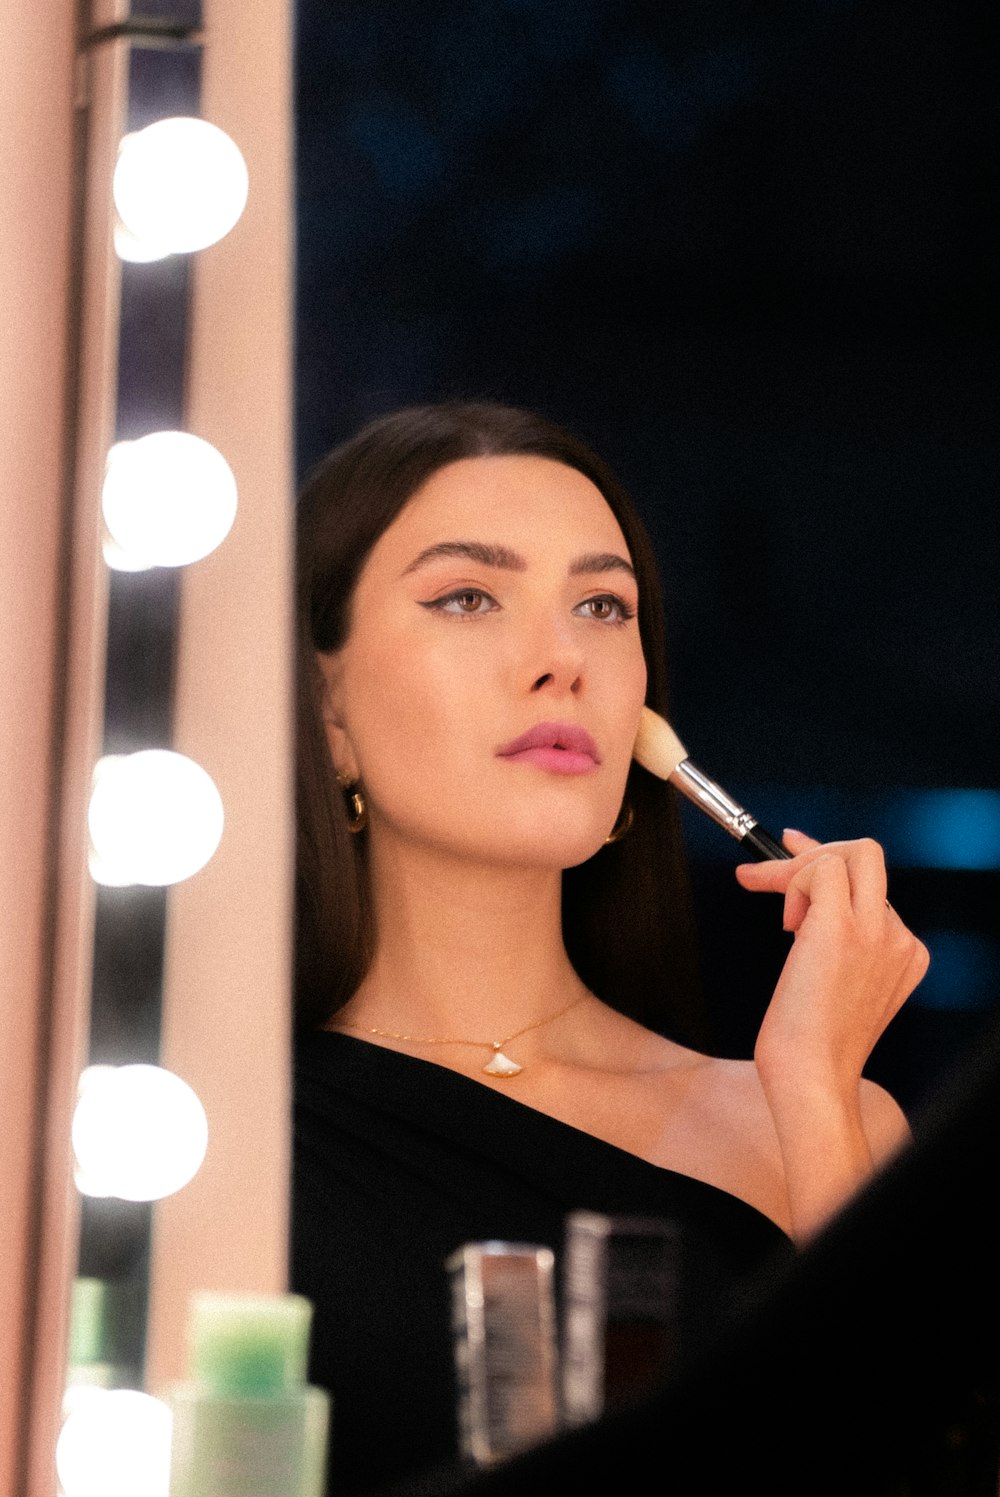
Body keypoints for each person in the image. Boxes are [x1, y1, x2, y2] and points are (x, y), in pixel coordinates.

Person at [290, 399, 929, 1496]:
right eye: (467, 597)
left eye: (601, 605)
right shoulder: (212, 1137)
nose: (560, 660)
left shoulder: (826, 1123)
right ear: (326, 707)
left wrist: (817, 1094)